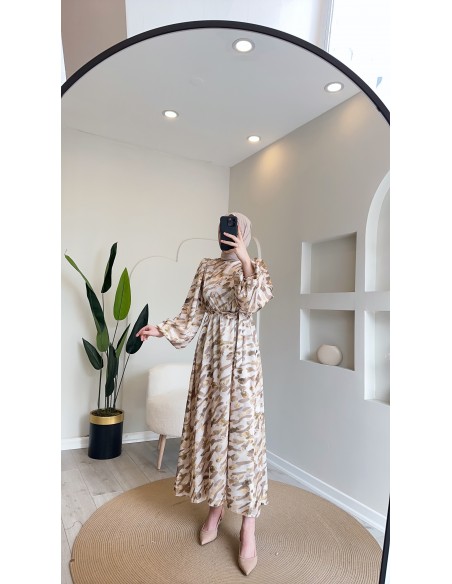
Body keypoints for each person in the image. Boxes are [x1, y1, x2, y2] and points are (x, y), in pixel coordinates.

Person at [136, 212, 273, 576]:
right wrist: (160, 329)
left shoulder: (256, 268)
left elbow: (252, 302)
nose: (224, 234)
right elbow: (190, 314)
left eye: (233, 229)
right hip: (211, 359)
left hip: (242, 363)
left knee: (243, 441)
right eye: (222, 228)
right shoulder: (206, 267)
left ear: (244, 233)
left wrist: (244, 259)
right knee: (212, 433)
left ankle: (248, 528)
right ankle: (215, 508)